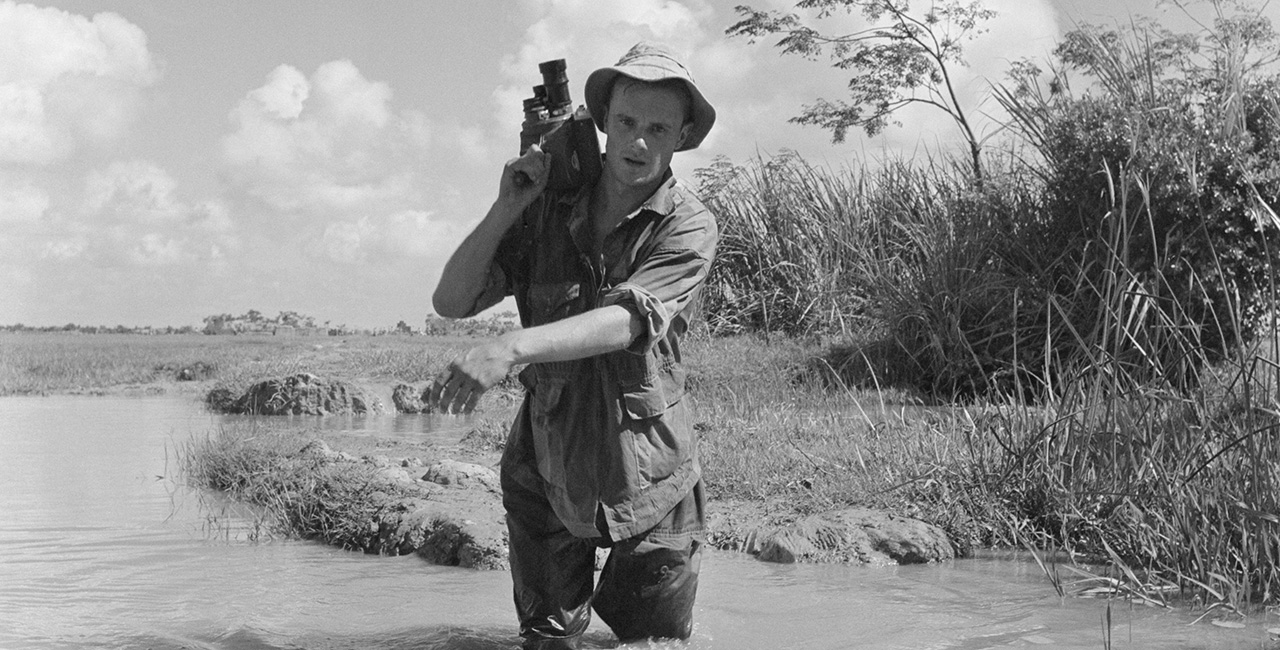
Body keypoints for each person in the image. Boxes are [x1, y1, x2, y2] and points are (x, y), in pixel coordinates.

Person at [427, 42, 718, 649]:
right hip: (547, 457)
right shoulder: (544, 214)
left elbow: (624, 322)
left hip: (649, 469)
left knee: (652, 643)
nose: (639, 142)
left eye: (658, 128)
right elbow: (453, 299)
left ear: (683, 135)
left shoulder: (687, 224)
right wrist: (509, 205)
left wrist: (512, 346)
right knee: (547, 639)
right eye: (627, 123)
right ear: (605, 124)